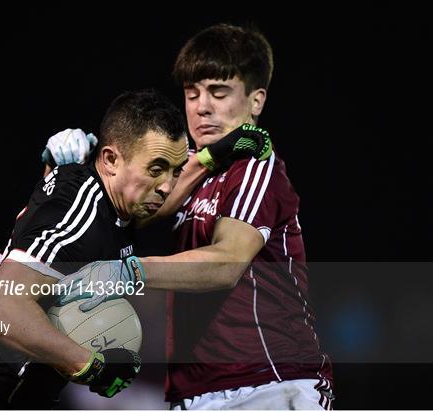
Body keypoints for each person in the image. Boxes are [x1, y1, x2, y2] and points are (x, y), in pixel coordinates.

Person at [58, 23, 334, 410]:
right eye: (192, 94)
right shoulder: (187, 173)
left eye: (218, 93)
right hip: (191, 394)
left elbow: (226, 263)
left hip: (269, 384)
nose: (202, 106)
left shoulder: (255, 167)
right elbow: (119, 217)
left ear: (256, 101)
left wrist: (128, 273)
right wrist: (73, 166)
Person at [0, 88, 189, 410]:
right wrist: (90, 364)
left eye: (176, 170)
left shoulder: (112, 206)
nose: (167, 186)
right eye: (156, 169)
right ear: (110, 159)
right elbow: (1, 308)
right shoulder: (81, 214)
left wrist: (210, 157)